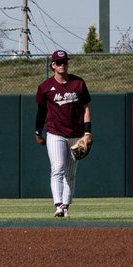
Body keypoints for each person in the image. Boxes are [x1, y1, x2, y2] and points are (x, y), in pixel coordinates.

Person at [34, 49, 91, 219]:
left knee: (71, 173)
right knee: (57, 168)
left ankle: (66, 206)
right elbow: (41, 112)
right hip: (55, 133)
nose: (62, 65)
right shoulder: (45, 87)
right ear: (53, 65)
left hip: (76, 133)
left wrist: (87, 133)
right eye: (58, 62)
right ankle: (58, 205)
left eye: (64, 62)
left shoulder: (78, 83)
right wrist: (38, 132)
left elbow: (86, 108)